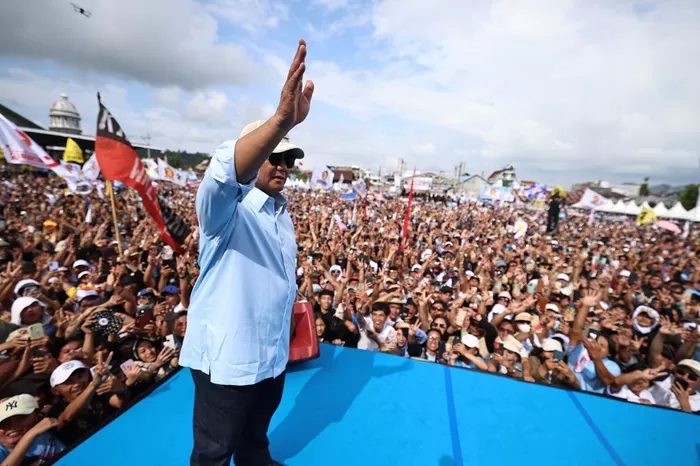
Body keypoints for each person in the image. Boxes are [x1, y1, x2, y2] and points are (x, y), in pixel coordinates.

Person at [178, 38, 315, 466]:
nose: (282, 166)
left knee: (255, 437)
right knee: (215, 451)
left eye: (288, 159)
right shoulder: (225, 212)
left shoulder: (282, 214)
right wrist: (279, 120)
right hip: (228, 358)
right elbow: (222, 176)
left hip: (270, 353)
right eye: (272, 156)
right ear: (253, 159)